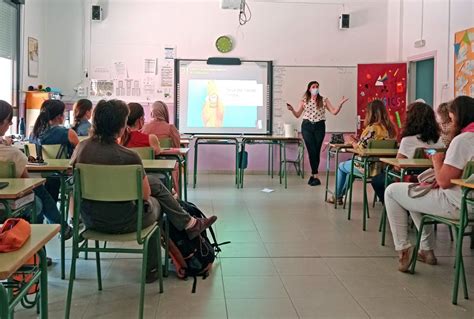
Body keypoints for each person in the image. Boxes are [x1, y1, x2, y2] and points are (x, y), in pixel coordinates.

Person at [70, 99, 217, 283]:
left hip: (89, 221)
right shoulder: (129, 156)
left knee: (154, 184)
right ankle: (154, 267)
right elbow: (145, 195)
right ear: (121, 126)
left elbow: (73, 188)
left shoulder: (81, 149)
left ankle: (189, 225)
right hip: (126, 221)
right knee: (159, 204)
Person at [385, 95, 474, 272]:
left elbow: (443, 181)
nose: (450, 121)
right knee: (413, 193)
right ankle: (426, 250)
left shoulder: (462, 141)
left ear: (459, 116)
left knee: (392, 191)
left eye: (451, 116)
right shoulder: (444, 139)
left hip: (457, 203)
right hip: (468, 200)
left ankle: (403, 248)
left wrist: (437, 160)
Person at [0, 100, 73, 239]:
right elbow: (27, 183)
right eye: (9, 121)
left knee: (39, 189)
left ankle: (61, 228)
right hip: (8, 205)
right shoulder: (13, 154)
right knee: (37, 194)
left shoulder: (34, 133)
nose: (10, 124)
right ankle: (39, 252)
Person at [370, 101, 444, 203]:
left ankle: (393, 204)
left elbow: (398, 165)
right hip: (431, 178)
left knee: (377, 180)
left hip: (410, 178)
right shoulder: (439, 140)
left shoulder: (408, 140)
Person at [328, 99, 397, 204]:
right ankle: (338, 196)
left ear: (371, 113)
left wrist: (352, 142)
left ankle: (337, 196)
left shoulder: (372, 128)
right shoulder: (390, 128)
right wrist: (358, 141)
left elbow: (360, 149)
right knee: (350, 170)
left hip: (367, 167)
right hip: (383, 168)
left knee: (342, 166)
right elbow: (369, 145)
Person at [287, 81, 348, 186]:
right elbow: (297, 115)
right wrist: (292, 109)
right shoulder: (304, 100)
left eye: (317, 87)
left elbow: (334, 112)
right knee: (311, 150)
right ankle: (315, 174)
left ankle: (313, 175)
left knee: (317, 150)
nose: (316, 88)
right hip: (307, 126)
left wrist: (340, 104)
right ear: (309, 89)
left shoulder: (323, 100)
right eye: (313, 87)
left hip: (319, 126)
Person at [29, 100, 80, 202]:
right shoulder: (69, 133)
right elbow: (80, 152)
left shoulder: (33, 133)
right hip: (61, 175)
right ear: (59, 116)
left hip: (37, 175)